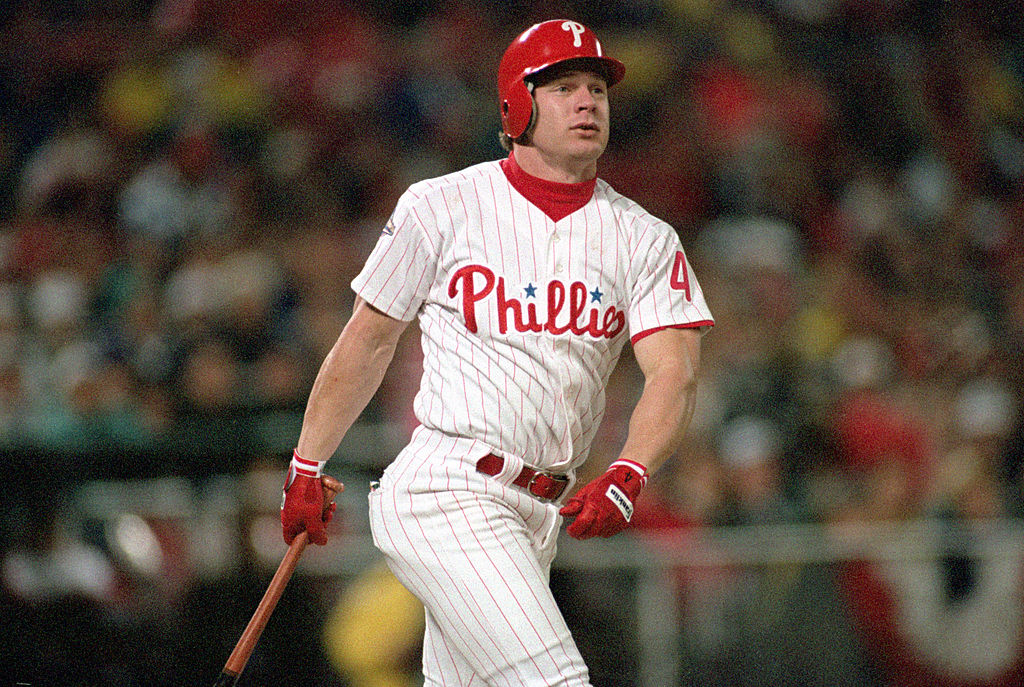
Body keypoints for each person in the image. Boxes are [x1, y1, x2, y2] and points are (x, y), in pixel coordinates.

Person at [280, 19, 714, 686]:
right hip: (447, 488)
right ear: (517, 104)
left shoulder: (644, 237)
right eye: (564, 86)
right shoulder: (442, 205)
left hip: (539, 512)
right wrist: (307, 461)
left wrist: (631, 469)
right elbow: (369, 338)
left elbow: (674, 372)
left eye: (597, 87)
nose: (587, 101)